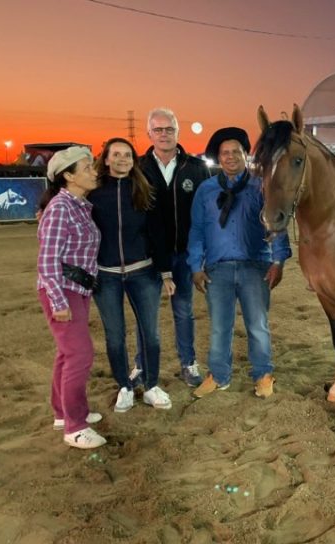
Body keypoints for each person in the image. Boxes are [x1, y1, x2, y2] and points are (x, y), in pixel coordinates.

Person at [188, 127, 291, 399]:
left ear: (246, 155)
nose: (231, 157)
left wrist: (279, 261)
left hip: (255, 266)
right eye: (225, 153)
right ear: (219, 158)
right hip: (217, 269)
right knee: (220, 326)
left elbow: (277, 224)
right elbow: (197, 230)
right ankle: (219, 375)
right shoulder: (206, 190)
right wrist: (196, 266)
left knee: (257, 325)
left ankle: (263, 374)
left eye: (236, 152)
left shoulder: (261, 186)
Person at [89, 138, 176, 413]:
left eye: (127, 155)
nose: (122, 159)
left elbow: (158, 233)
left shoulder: (144, 189)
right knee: (115, 336)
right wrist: (44, 207)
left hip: (144, 273)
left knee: (150, 334)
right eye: (116, 154)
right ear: (105, 159)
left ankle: (151, 385)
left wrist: (165, 272)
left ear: (133, 159)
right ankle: (124, 386)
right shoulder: (92, 192)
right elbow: (60, 195)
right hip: (106, 276)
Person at [37, 146, 106, 449]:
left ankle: (62, 413)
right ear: (68, 175)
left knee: (67, 353)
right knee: (80, 354)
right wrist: (58, 301)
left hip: (78, 288)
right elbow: (47, 259)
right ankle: (75, 427)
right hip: (62, 289)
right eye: (87, 167)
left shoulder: (79, 205)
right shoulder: (60, 208)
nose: (94, 171)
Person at [140, 108, 211, 387]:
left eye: (169, 129)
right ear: (149, 134)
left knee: (183, 311)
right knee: (146, 314)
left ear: (177, 132)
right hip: (147, 256)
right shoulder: (138, 167)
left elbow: (208, 212)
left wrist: (202, 253)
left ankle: (188, 362)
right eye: (158, 130)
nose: (164, 134)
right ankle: (141, 364)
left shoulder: (196, 167)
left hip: (184, 254)